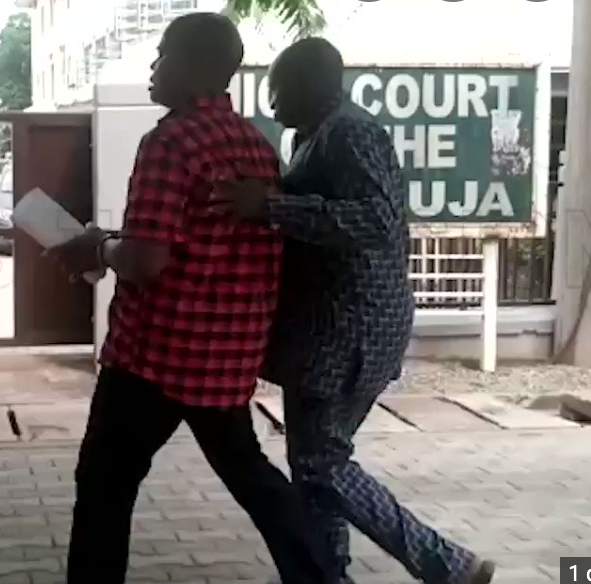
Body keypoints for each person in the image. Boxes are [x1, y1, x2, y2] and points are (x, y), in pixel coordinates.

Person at [46, 13, 325, 584]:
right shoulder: (255, 145)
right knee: (253, 479)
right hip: (226, 358)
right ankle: (319, 575)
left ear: (195, 66)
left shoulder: (170, 141)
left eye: (163, 54)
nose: (153, 67)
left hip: (155, 356)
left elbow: (147, 260)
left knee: (104, 486)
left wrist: (98, 247)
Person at [212, 37, 496, 584]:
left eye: (279, 89)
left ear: (311, 85)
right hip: (335, 331)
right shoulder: (316, 136)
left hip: (349, 333)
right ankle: (325, 575)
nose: (272, 103)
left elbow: (376, 220)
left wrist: (271, 206)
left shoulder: (349, 132)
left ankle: (448, 565)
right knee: (314, 465)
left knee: (321, 465)